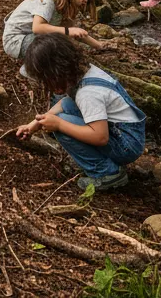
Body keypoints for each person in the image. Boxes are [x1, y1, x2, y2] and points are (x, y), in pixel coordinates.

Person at [15, 34, 146, 192]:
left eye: (46, 80)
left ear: (56, 74)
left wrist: (60, 125)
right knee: (65, 109)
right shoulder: (85, 72)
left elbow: (100, 137)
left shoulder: (88, 94)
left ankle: (107, 174)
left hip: (125, 145)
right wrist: (35, 123)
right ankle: (102, 164)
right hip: (125, 134)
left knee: (61, 125)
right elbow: (65, 103)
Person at [2, 0, 110, 69]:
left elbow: (72, 32)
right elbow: (37, 28)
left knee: (66, 47)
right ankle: (31, 71)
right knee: (56, 45)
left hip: (34, 39)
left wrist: (98, 45)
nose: (85, 0)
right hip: (17, 41)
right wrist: (68, 31)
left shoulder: (66, 4)